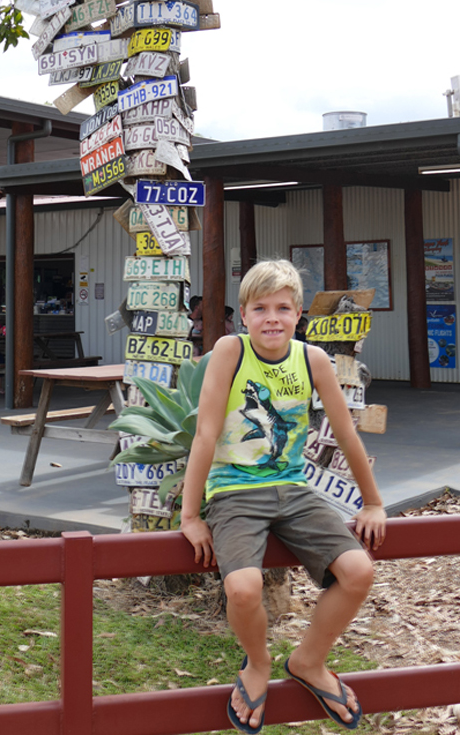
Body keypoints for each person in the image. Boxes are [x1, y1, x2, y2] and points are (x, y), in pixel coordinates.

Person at [180, 259, 386, 733]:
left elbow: (346, 434)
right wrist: (191, 515)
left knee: (358, 571)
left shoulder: (312, 360)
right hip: (234, 492)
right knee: (243, 587)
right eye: (260, 309)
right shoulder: (230, 351)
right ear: (244, 315)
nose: (271, 318)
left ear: (297, 315)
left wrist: (372, 502)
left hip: (294, 490)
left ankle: (309, 661)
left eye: (282, 308)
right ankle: (257, 662)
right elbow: (206, 434)